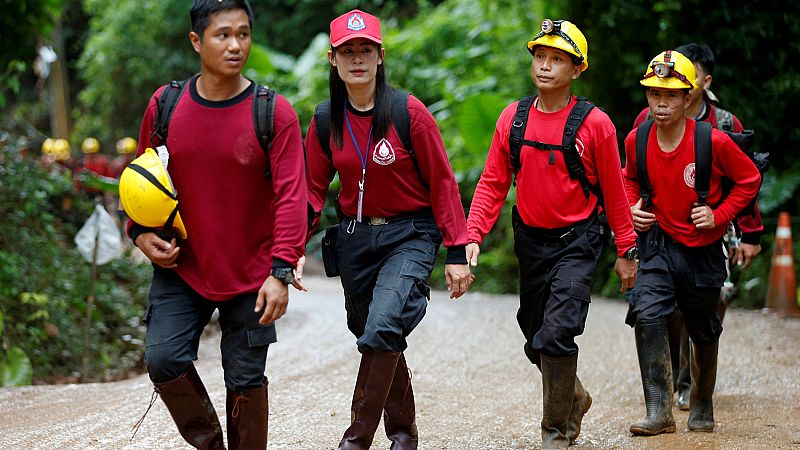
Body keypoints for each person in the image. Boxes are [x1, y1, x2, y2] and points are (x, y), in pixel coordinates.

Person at [126, 1, 307, 448]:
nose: (235, 45)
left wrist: (280, 271)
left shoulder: (273, 112)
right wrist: (140, 232)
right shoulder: (165, 106)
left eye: (243, 34)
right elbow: (141, 179)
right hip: (182, 266)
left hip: (252, 274)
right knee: (164, 359)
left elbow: (291, 196)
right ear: (196, 41)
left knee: (245, 378)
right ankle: (210, 444)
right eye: (222, 34)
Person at [303, 9, 472, 449]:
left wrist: (456, 252)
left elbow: (442, 184)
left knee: (381, 328)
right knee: (374, 334)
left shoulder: (407, 112)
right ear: (333, 60)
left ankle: (355, 440)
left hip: (408, 236)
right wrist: (288, 251)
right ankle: (402, 435)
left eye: (366, 50)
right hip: (356, 238)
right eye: (347, 51)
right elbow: (309, 191)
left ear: (380, 56)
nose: (357, 59)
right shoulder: (325, 121)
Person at [466, 19, 638, 449]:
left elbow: (615, 193)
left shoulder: (595, 124)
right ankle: (574, 397)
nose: (545, 66)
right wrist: (472, 235)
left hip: (577, 242)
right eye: (540, 56)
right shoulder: (513, 118)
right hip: (530, 240)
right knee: (534, 338)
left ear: (577, 69)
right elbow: (492, 182)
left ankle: (556, 433)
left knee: (558, 333)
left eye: (557, 59)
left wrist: (626, 249)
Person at [623, 50, 760, 435]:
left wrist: (719, 214)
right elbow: (628, 177)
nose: (661, 103)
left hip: (702, 251)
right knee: (647, 314)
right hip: (658, 245)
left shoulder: (713, 141)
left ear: (688, 98)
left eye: (670, 95)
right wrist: (634, 205)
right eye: (654, 94)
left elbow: (749, 180)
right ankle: (659, 411)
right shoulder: (638, 138)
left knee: (702, 328)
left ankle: (701, 401)